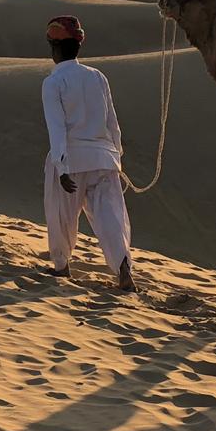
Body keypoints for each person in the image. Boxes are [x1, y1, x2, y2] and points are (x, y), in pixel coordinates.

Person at [41, 15, 135, 291]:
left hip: (71, 159)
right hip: (104, 159)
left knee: (61, 215)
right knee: (111, 217)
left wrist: (61, 166)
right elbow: (112, 124)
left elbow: (56, 128)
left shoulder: (53, 82)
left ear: (54, 47)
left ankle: (61, 267)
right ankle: (123, 269)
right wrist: (116, 158)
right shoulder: (98, 77)